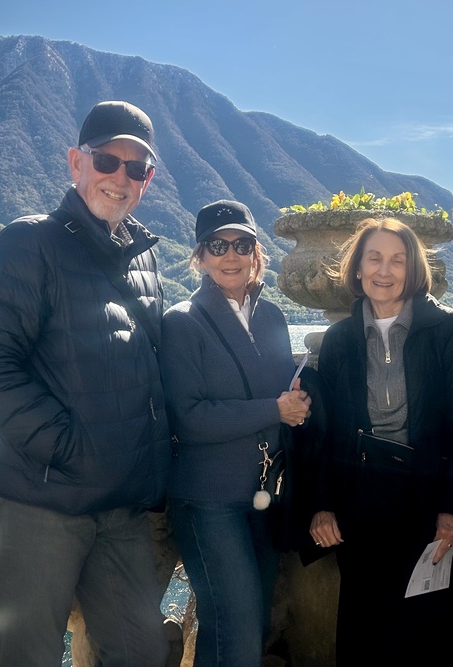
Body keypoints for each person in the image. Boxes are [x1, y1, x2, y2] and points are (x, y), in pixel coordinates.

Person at [0, 101, 172, 665]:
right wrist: (69, 448)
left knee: (142, 650)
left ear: (150, 178)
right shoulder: (30, 243)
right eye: (106, 160)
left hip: (118, 506)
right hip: (39, 502)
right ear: (76, 162)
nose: (120, 178)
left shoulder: (143, 259)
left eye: (137, 167)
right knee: (31, 654)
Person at [308, 217, 453, 665]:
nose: (386, 270)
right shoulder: (340, 340)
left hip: (424, 504)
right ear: (358, 269)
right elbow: (327, 430)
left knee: (424, 630)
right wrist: (322, 504)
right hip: (358, 504)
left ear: (413, 269)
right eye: (375, 258)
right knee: (363, 627)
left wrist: (452, 507)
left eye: (398, 260)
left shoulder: (444, 330)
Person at [160, 200, 311, 666]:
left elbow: (285, 395)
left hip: (264, 494)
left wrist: (301, 403)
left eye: (241, 244)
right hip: (209, 501)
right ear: (200, 256)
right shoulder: (182, 322)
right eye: (217, 245)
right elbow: (189, 417)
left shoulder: (273, 319)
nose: (231, 255)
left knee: (244, 626)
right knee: (238, 629)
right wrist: (276, 409)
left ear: (256, 253)